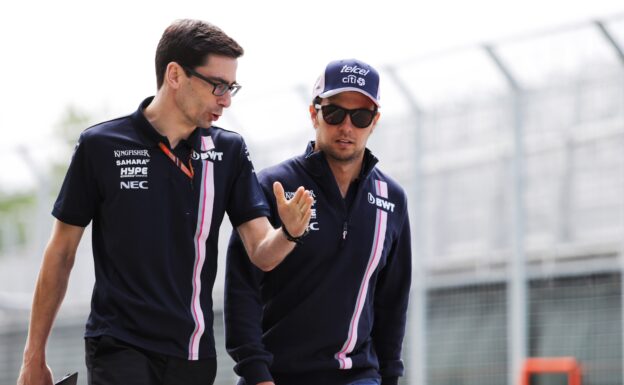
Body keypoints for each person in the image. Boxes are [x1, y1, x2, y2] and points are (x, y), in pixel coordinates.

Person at [17, 19, 313, 385]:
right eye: (218, 85)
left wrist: (290, 233)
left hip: (193, 354)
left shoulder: (229, 151)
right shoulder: (100, 146)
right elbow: (60, 253)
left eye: (232, 87)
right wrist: (33, 356)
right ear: (175, 75)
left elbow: (262, 253)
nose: (226, 99)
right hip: (119, 345)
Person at [224, 58, 412, 385]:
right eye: (335, 113)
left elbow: (392, 302)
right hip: (276, 376)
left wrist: (390, 378)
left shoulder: (391, 199)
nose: (347, 127)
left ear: (375, 121)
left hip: (357, 376)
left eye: (361, 116)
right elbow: (242, 290)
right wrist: (256, 374)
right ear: (315, 114)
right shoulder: (273, 186)